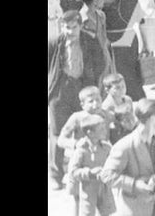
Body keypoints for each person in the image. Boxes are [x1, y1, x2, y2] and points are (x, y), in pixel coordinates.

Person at [50, 10, 108, 189]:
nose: (70, 31)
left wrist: (91, 82)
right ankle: (55, 173)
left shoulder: (89, 41)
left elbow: (101, 63)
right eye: (67, 27)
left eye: (74, 27)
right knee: (57, 131)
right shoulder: (54, 42)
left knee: (85, 128)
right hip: (60, 89)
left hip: (82, 89)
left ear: (81, 25)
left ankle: (82, 170)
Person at [100, 98, 155, 216]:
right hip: (137, 209)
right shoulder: (125, 146)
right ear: (152, 118)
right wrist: (135, 184)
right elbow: (106, 175)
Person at [66, 112, 115, 216]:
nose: (105, 131)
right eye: (101, 129)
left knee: (106, 211)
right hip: (88, 188)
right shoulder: (81, 150)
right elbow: (73, 172)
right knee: (87, 212)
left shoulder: (106, 148)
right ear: (90, 132)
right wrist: (89, 173)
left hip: (104, 186)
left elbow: (113, 164)